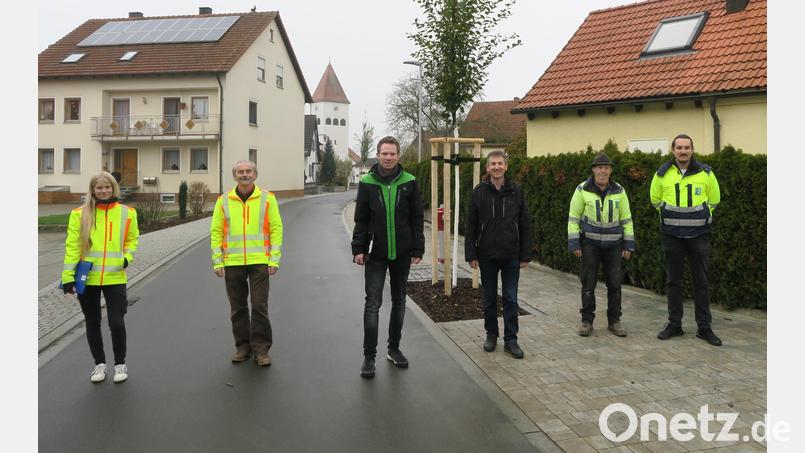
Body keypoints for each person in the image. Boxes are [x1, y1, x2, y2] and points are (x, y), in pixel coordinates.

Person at [352, 136, 424, 379]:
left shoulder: (409, 182)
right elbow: (360, 218)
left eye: (393, 154)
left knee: (399, 302)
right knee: (373, 304)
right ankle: (369, 356)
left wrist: (418, 249)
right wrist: (358, 249)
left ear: (398, 155)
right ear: (378, 154)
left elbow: (416, 218)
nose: (389, 157)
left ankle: (394, 349)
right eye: (385, 153)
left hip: (402, 253)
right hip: (375, 253)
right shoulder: (367, 182)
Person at [62, 171, 139, 383]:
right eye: (99, 188)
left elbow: (132, 241)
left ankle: (120, 363)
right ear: (93, 190)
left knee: (116, 322)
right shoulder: (79, 214)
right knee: (93, 322)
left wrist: (126, 259)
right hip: (88, 278)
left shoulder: (127, 213)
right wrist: (68, 276)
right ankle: (99, 364)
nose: (104, 191)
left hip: (115, 277)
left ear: (113, 187)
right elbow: (72, 247)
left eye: (107, 187)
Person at [650, 134, 722, 346]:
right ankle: (675, 325)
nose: (683, 151)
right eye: (679, 147)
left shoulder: (706, 173)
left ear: (692, 150)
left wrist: (697, 218)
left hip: (699, 236)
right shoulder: (661, 174)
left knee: (701, 282)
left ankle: (704, 328)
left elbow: (714, 200)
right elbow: (655, 200)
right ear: (673, 150)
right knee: (673, 281)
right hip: (671, 236)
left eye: (687, 147)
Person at [210, 160, 283, 366]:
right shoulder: (223, 200)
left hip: (260, 260)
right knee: (238, 307)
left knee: (259, 306)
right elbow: (216, 231)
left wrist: (274, 259)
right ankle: (242, 347)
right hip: (232, 262)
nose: (244, 174)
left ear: (255, 174)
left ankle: (261, 350)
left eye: (248, 171)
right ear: (235, 176)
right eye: (240, 172)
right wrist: (218, 261)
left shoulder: (268, 199)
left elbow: (276, 229)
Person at [465, 150, 532, 359]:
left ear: (506, 167)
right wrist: (471, 254)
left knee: (511, 299)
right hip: (487, 254)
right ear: (487, 168)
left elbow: (526, 223)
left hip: (511, 254)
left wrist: (525, 255)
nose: (496, 167)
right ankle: (491, 335)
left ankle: (511, 339)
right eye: (493, 164)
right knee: (489, 299)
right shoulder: (479, 192)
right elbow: (470, 225)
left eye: (500, 164)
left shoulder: (516, 190)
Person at [567, 153, 634, 337]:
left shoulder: (619, 191)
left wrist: (628, 245)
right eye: (599, 167)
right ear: (593, 170)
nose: (603, 171)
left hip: (614, 246)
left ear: (611, 170)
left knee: (615, 284)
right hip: (590, 245)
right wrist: (574, 243)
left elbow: (627, 220)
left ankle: (614, 321)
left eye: (606, 167)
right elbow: (573, 219)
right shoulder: (582, 189)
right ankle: (587, 321)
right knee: (588, 284)